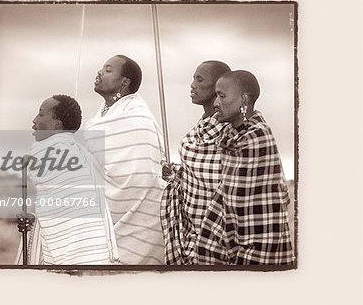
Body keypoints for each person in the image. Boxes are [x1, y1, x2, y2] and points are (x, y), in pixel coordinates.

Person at [197, 70, 294, 265]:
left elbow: (255, 208)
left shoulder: (257, 139)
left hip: (262, 244)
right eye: (216, 95)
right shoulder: (229, 136)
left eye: (222, 96)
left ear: (243, 100)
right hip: (232, 246)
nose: (215, 103)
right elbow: (226, 199)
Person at [15, 94, 119, 265]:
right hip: (93, 253)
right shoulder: (83, 155)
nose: (34, 120)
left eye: (41, 115)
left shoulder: (48, 151)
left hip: (71, 258)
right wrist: (33, 220)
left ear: (57, 124)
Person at [84, 55, 165, 264]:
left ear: (124, 82)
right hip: (100, 218)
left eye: (108, 69)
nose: (100, 72)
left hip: (137, 222)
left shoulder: (138, 118)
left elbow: (140, 176)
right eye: (102, 67)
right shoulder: (102, 115)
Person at [160, 60, 231, 264]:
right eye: (193, 78)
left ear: (218, 87)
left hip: (218, 236)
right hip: (191, 234)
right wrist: (177, 174)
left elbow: (221, 180)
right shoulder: (199, 129)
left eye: (199, 79)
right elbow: (197, 176)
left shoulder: (229, 133)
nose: (192, 84)